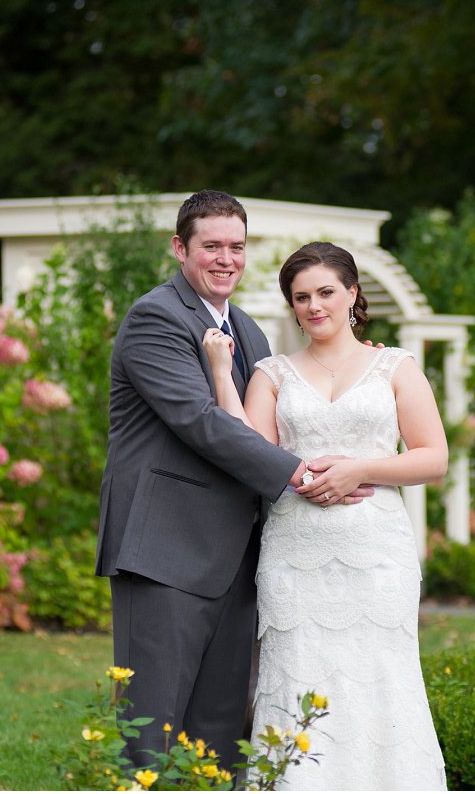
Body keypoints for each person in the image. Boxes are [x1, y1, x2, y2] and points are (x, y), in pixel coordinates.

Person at [96, 191, 370, 771]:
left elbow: (259, 428)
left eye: (236, 247)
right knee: (153, 727)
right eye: (211, 246)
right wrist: (302, 476)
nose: (226, 259)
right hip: (165, 551)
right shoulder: (156, 318)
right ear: (180, 248)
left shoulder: (247, 331)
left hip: (236, 556)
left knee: (218, 732)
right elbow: (201, 423)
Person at [202, 241, 448, 790]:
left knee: (380, 680)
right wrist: (223, 373)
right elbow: (250, 451)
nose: (314, 306)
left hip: (377, 554)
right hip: (296, 555)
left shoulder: (395, 366)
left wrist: (360, 468)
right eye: (301, 297)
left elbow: (433, 457)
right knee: (298, 678)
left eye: (325, 293)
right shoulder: (272, 372)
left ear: (352, 293)